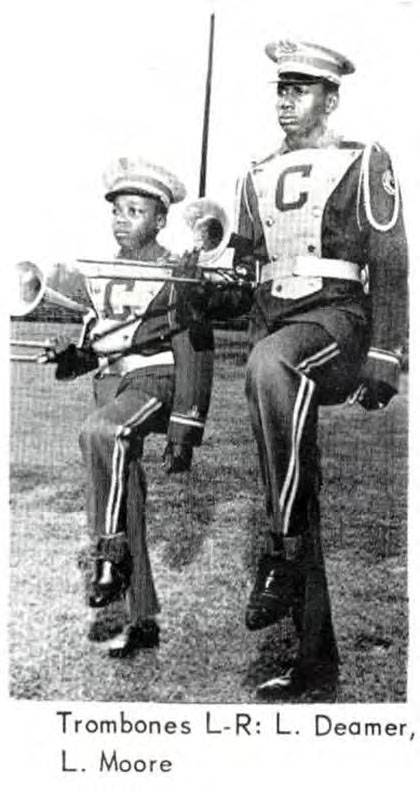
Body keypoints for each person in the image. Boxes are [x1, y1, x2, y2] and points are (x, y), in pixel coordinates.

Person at [233, 41, 408, 697]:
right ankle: (314, 662)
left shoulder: (363, 159)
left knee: (272, 363)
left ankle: (279, 553)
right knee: (294, 488)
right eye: (281, 89)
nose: (287, 101)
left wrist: (387, 355)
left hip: (339, 323)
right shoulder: (253, 174)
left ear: (331, 98)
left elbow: (389, 260)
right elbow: (245, 275)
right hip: (277, 333)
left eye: (301, 89)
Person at [47, 157, 215, 657]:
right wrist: (69, 355)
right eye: (117, 211)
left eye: (136, 211)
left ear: (160, 219)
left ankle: (108, 558)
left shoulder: (177, 270)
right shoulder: (102, 271)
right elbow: (97, 347)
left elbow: (194, 347)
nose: (123, 220)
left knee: (102, 433)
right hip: (112, 387)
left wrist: (185, 428)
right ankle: (140, 618)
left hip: (156, 381)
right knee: (125, 501)